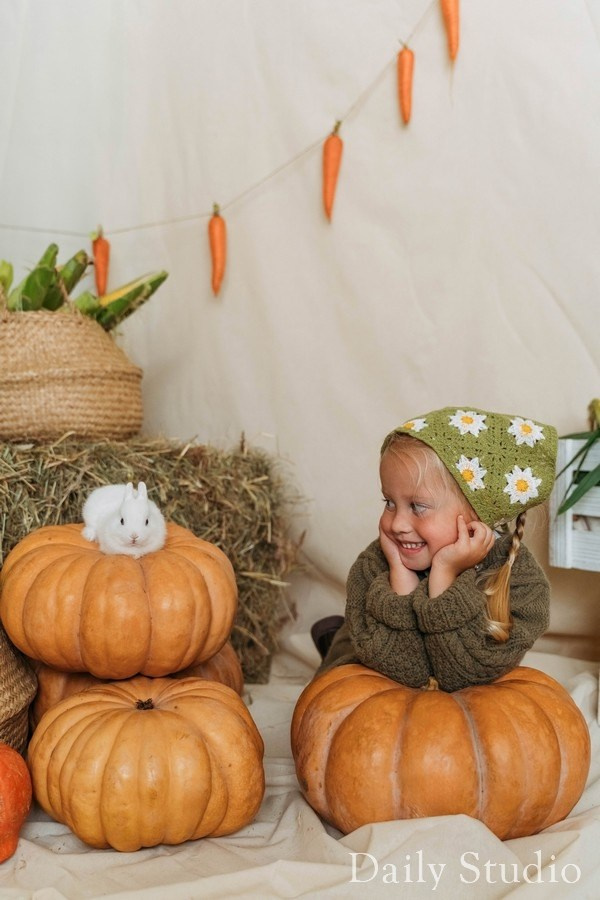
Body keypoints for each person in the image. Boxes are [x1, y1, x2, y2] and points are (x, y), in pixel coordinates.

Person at [311, 406, 558, 692]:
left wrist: (443, 576)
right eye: (389, 502)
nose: (399, 523)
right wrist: (400, 577)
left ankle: (332, 633)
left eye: (417, 506)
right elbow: (401, 671)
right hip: (378, 666)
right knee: (344, 666)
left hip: (453, 695)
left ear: (477, 515)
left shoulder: (521, 583)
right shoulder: (374, 564)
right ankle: (335, 640)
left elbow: (464, 676)